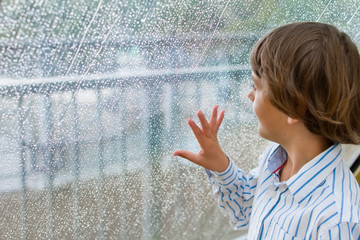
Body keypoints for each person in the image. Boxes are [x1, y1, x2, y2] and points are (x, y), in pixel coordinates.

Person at [173, 22, 360, 239]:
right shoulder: (276, 158)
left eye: (256, 86)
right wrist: (220, 166)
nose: (250, 95)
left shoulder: (337, 220)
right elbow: (245, 210)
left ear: (295, 106)